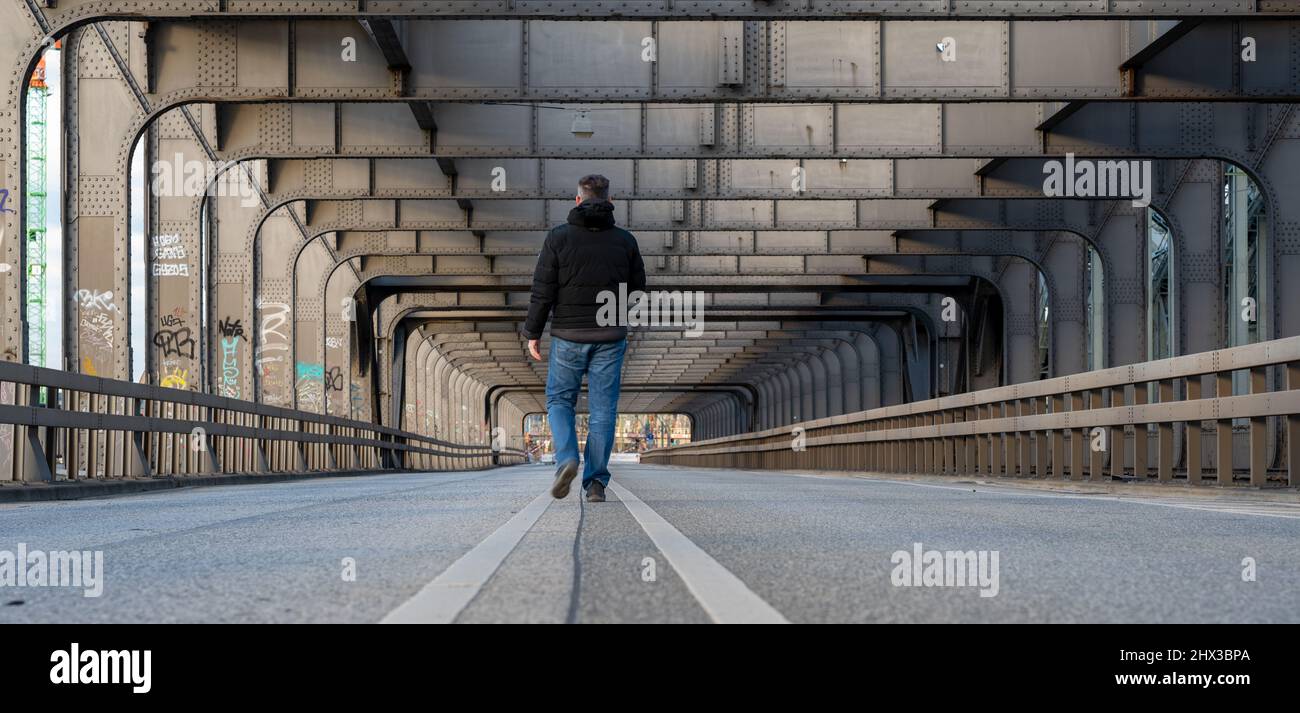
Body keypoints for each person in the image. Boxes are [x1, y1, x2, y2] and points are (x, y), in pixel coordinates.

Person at [523, 175, 646, 503]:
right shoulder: (625, 241)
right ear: (610, 201)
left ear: (577, 200)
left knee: (560, 400)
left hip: (567, 334)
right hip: (610, 334)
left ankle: (566, 458)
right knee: (603, 410)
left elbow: (543, 289)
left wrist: (533, 332)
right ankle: (595, 484)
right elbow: (637, 289)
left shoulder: (558, 238)